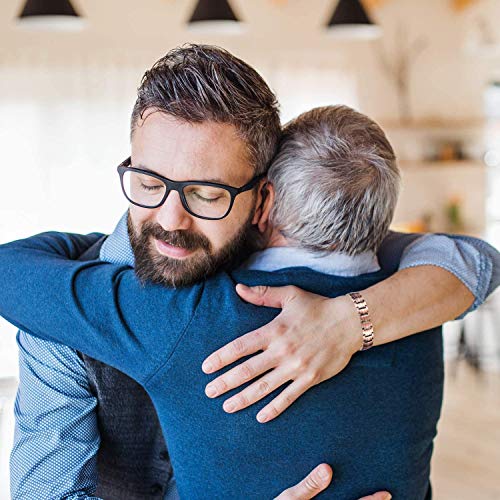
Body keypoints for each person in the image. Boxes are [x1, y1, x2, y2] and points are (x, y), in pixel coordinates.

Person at [7, 45, 499, 499]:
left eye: (206, 194)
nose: (171, 221)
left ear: (263, 199)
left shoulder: (307, 273)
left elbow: (471, 259)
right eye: (148, 181)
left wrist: (350, 322)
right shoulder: (63, 308)